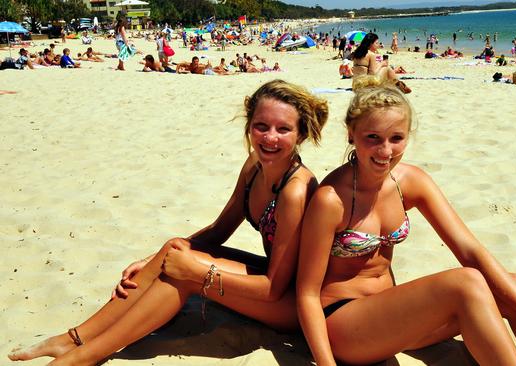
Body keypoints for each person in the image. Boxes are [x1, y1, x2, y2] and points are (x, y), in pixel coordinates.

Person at [8, 79, 329, 365]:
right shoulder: (254, 166)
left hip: (290, 305)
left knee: (186, 274)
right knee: (175, 248)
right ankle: (72, 339)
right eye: (261, 126)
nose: (270, 138)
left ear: (300, 134)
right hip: (270, 284)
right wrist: (153, 261)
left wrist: (197, 271)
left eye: (283, 129)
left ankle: (83, 357)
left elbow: (274, 288)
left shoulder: (295, 190)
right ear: (249, 125)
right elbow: (219, 230)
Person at [296, 77, 516, 366]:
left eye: (396, 138)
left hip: (395, 320)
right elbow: (307, 293)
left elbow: (470, 250)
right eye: (372, 138)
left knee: (514, 287)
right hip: (344, 326)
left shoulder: (410, 181)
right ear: (351, 133)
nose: (385, 151)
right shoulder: (331, 199)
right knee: (466, 283)